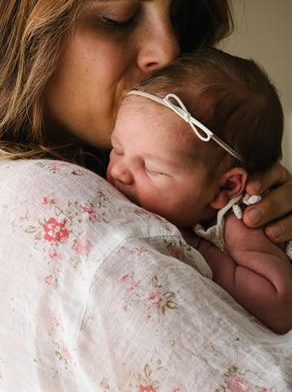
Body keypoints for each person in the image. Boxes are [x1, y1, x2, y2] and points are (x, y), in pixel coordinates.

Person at [0, 0, 292, 390]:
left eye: (178, 14)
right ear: (11, 32)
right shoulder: (57, 207)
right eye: (117, 18)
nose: (170, 50)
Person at [107, 49, 292, 334]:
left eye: (153, 169)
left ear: (226, 188)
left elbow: (279, 306)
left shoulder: (240, 221)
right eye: (117, 149)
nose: (118, 171)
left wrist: (197, 249)